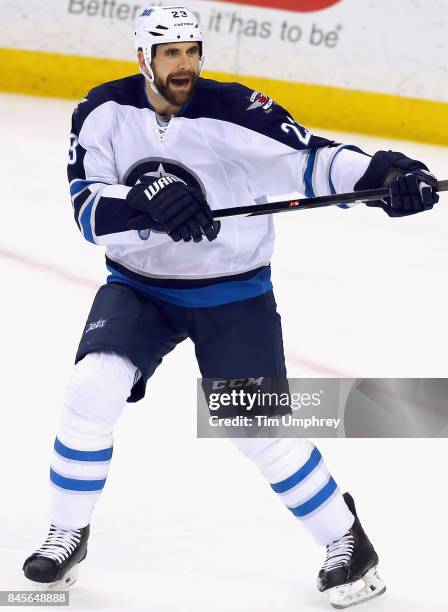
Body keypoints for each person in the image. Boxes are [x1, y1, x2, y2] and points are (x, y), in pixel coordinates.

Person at [23, 5, 438, 608]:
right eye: (171, 54)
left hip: (233, 293)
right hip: (140, 288)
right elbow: (87, 208)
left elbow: (313, 161)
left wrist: (388, 175)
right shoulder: (102, 111)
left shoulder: (238, 110)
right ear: (144, 58)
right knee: (93, 386)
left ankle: (349, 545)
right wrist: (145, 201)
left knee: (256, 427)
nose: (184, 64)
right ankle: (67, 534)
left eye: (192, 51)